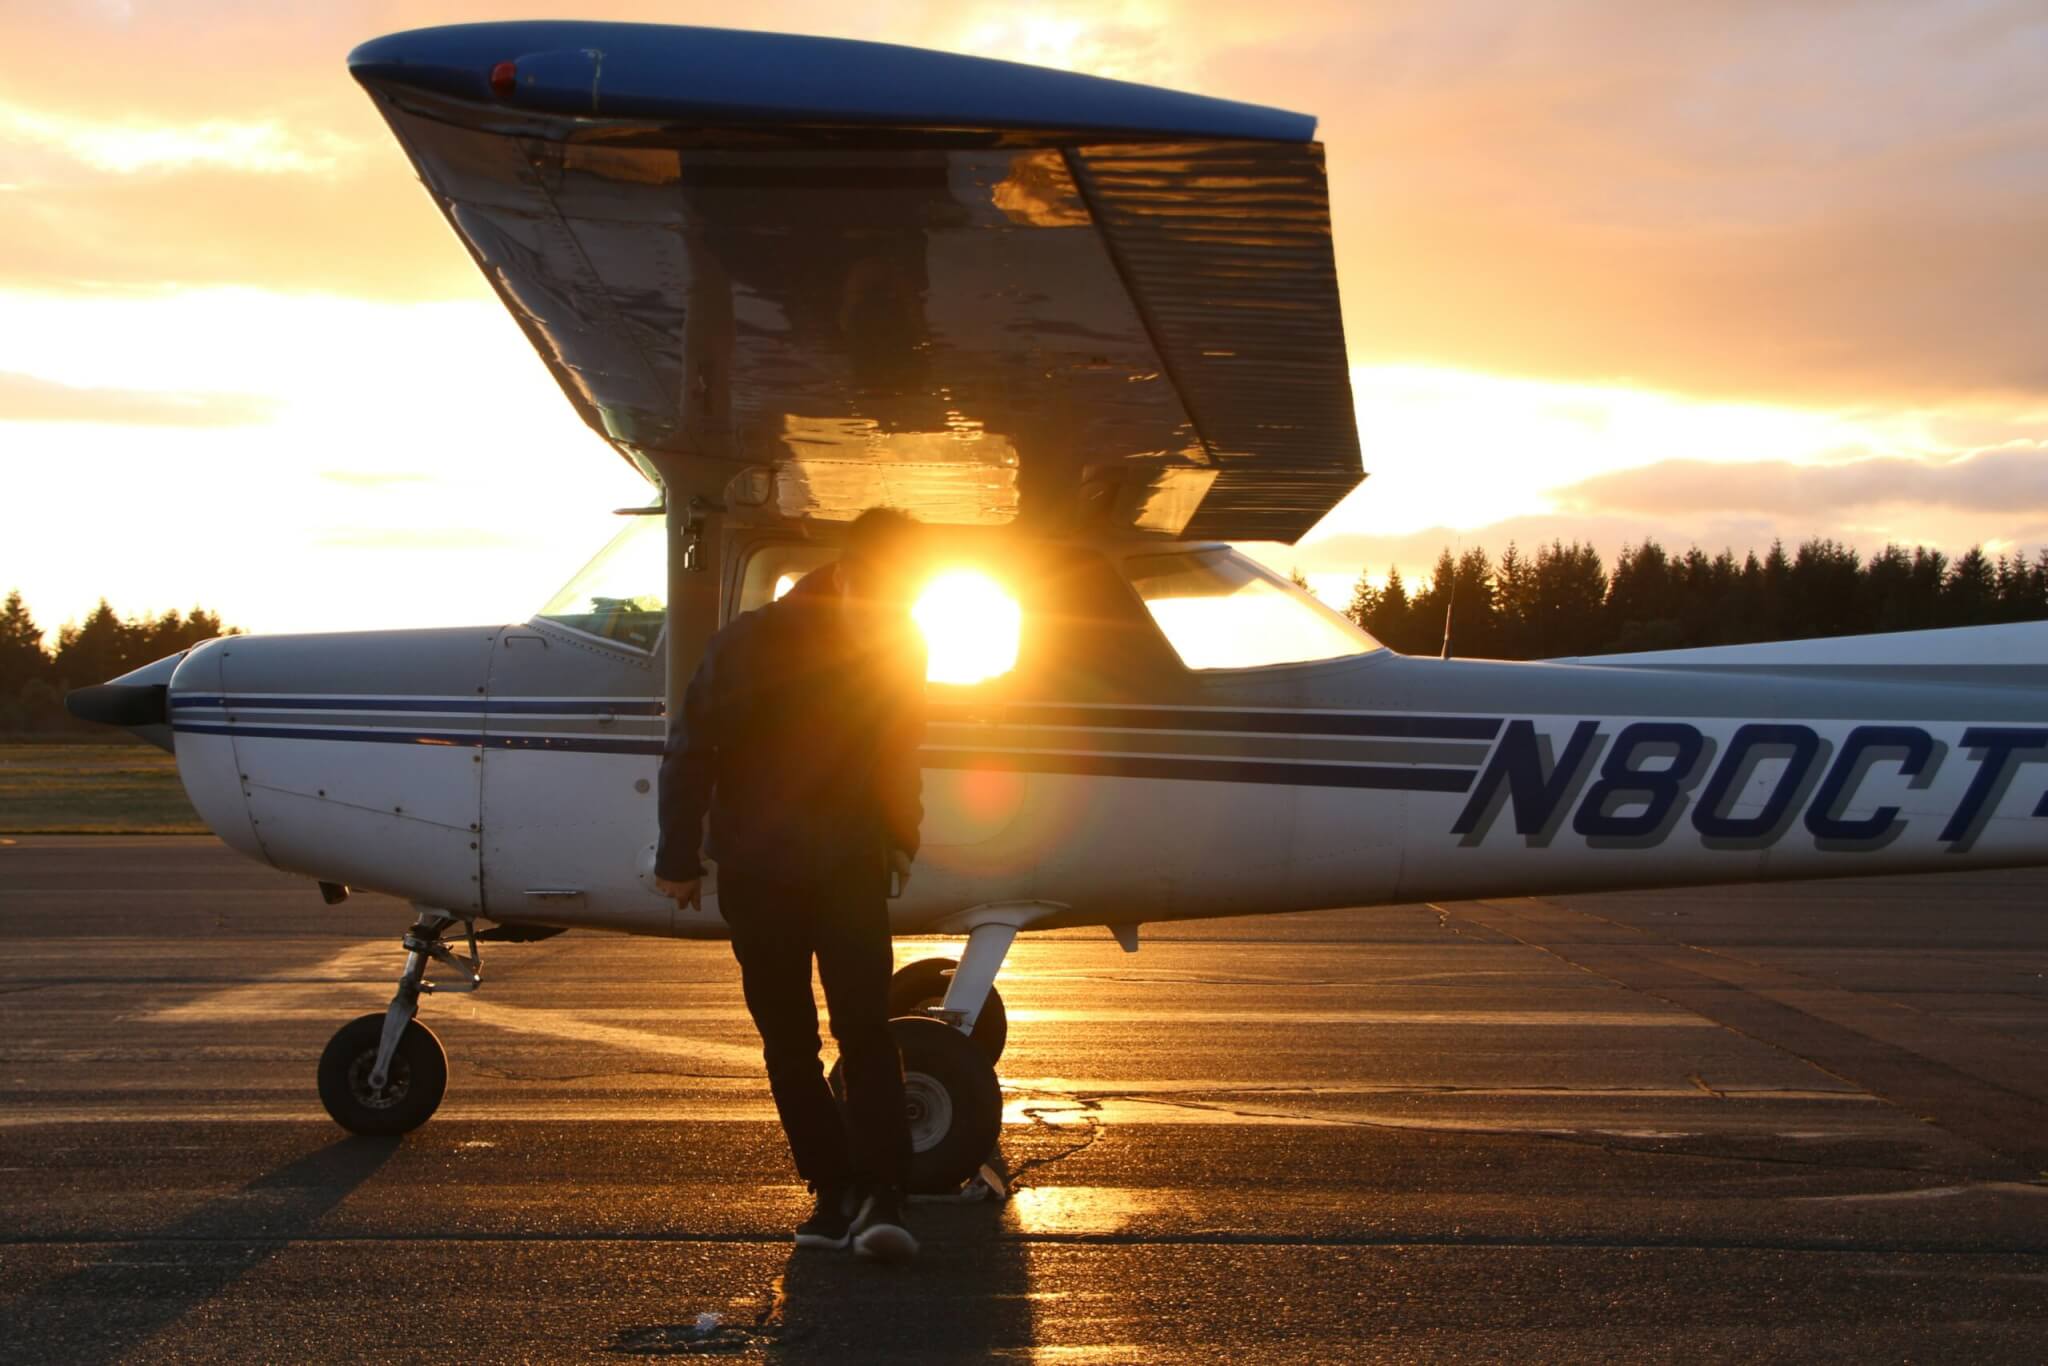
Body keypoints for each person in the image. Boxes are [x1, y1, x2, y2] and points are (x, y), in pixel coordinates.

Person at [652, 507, 926, 1263]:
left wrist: (901, 832)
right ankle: (833, 1187)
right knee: (790, 1040)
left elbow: (902, 741)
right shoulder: (751, 641)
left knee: (864, 1031)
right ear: (856, 568)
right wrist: (677, 857)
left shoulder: (901, 635)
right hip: (762, 870)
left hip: (845, 867)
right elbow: (691, 749)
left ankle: (883, 1191)